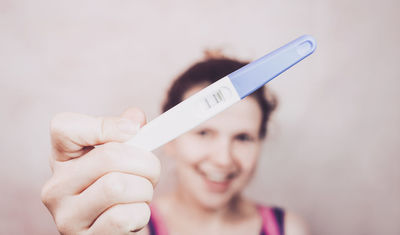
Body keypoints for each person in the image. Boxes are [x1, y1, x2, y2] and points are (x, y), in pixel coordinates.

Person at [41, 51, 310, 235]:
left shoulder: (287, 229)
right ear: (170, 140)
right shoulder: (129, 228)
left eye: (243, 138)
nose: (223, 159)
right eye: (203, 133)